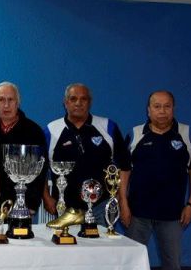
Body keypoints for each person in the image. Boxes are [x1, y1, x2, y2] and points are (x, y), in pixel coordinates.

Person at [119, 90, 191, 270]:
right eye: (157, 106)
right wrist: (124, 204)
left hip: (173, 214)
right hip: (137, 214)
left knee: (172, 266)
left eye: (167, 106)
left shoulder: (187, 134)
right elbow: (124, 173)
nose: (162, 111)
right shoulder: (135, 135)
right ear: (148, 109)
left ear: (173, 108)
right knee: (132, 263)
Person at [44, 83, 128, 222]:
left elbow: (125, 166)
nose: (78, 103)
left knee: (101, 244)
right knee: (66, 243)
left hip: (102, 207)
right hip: (65, 207)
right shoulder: (51, 130)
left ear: (90, 102)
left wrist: (121, 199)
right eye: (73, 99)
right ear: (65, 103)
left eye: (83, 99)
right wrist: (47, 197)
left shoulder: (108, 127)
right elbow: (41, 168)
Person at [0, 82, 50, 215]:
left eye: (10, 100)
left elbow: (41, 169)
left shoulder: (33, 131)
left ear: (18, 102)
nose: (6, 105)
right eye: (1, 99)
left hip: (21, 203)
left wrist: (31, 204)